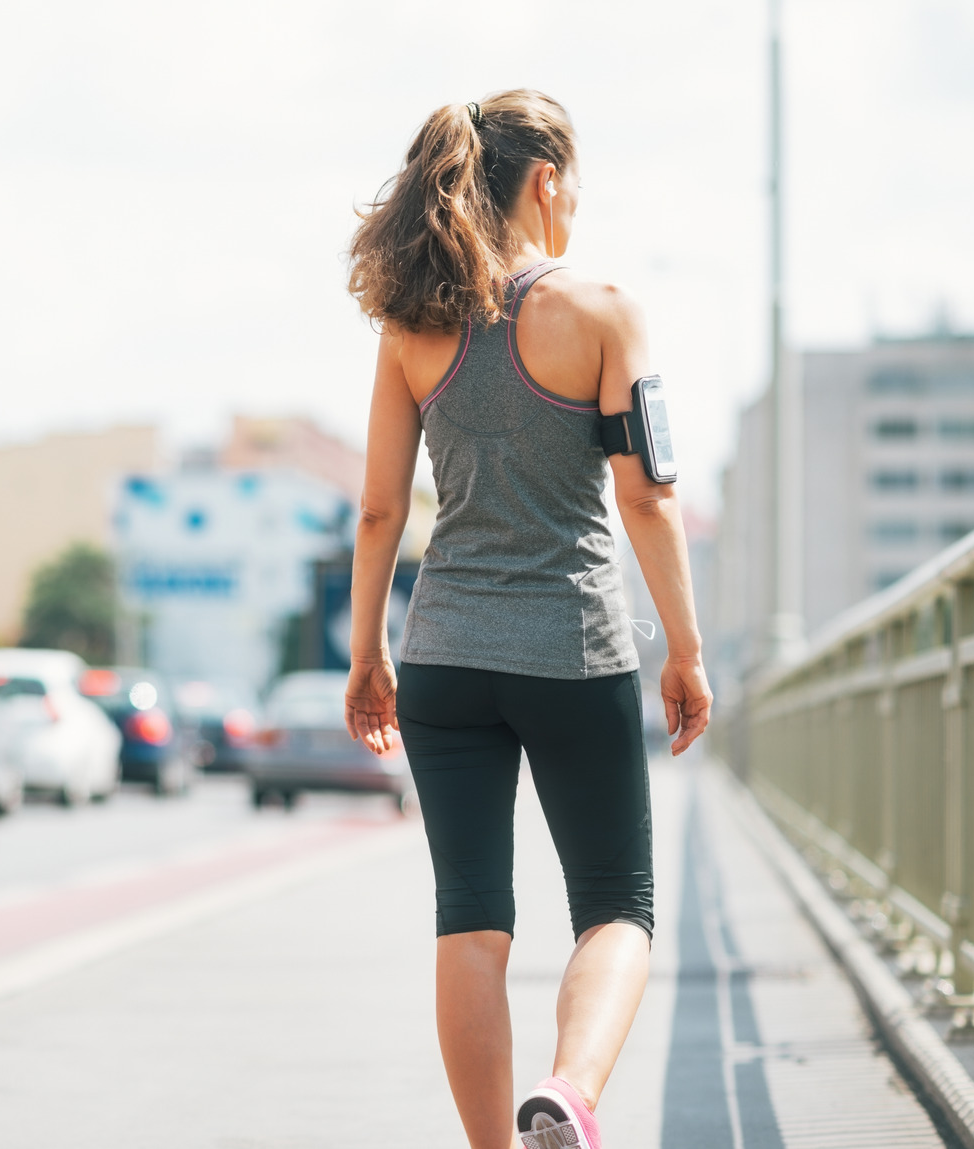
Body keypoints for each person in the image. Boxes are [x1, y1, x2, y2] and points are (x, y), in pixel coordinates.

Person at [342, 90, 712, 1149]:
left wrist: (368, 650)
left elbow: (378, 509)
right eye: (575, 185)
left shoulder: (411, 325)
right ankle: (570, 1096)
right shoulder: (603, 312)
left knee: (470, 916)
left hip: (445, 653)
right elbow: (647, 496)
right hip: (573, 649)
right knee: (614, 905)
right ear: (544, 181)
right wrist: (683, 651)